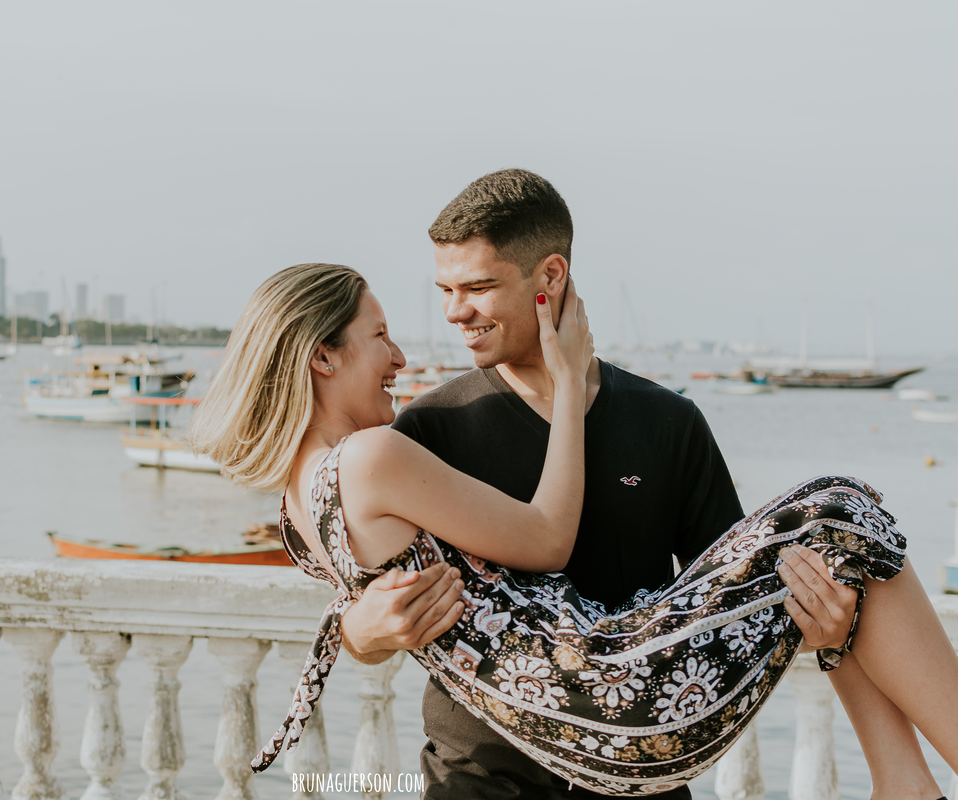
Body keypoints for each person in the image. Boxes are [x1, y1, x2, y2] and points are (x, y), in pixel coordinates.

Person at [189, 261, 958, 796]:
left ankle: (902, 782)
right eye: (378, 335)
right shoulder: (377, 453)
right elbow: (547, 539)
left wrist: (357, 627)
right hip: (610, 697)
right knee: (841, 505)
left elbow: (371, 600)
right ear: (322, 357)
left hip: (583, 725)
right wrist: (567, 386)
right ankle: (901, 779)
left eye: (473, 288)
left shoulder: (297, 508)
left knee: (836, 544)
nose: (400, 353)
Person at [337, 169, 942, 799]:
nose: (455, 311)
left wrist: (821, 622)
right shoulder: (428, 429)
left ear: (551, 276)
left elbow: (735, 598)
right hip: (479, 781)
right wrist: (362, 632)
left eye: (478, 287)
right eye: (445, 289)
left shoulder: (667, 422)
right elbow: (364, 596)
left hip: (639, 782)